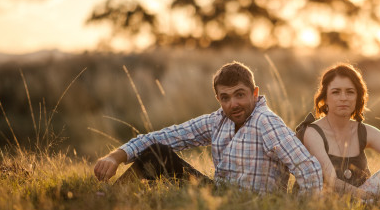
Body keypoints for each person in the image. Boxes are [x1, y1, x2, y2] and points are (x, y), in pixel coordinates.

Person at [94, 61, 322, 194]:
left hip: (254, 205)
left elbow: (307, 168)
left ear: (254, 93)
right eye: (225, 98)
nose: (233, 104)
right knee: (157, 153)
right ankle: (112, 199)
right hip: (217, 198)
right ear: (218, 99)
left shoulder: (266, 122)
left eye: (240, 95)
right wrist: (116, 156)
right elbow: (167, 136)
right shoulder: (218, 120)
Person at [296, 63, 380, 203]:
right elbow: (330, 181)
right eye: (336, 92)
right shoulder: (312, 132)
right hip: (326, 202)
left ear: (358, 97)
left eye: (350, 92)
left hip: (361, 200)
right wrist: (375, 198)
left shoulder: (363, 131)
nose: (343, 98)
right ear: (325, 97)